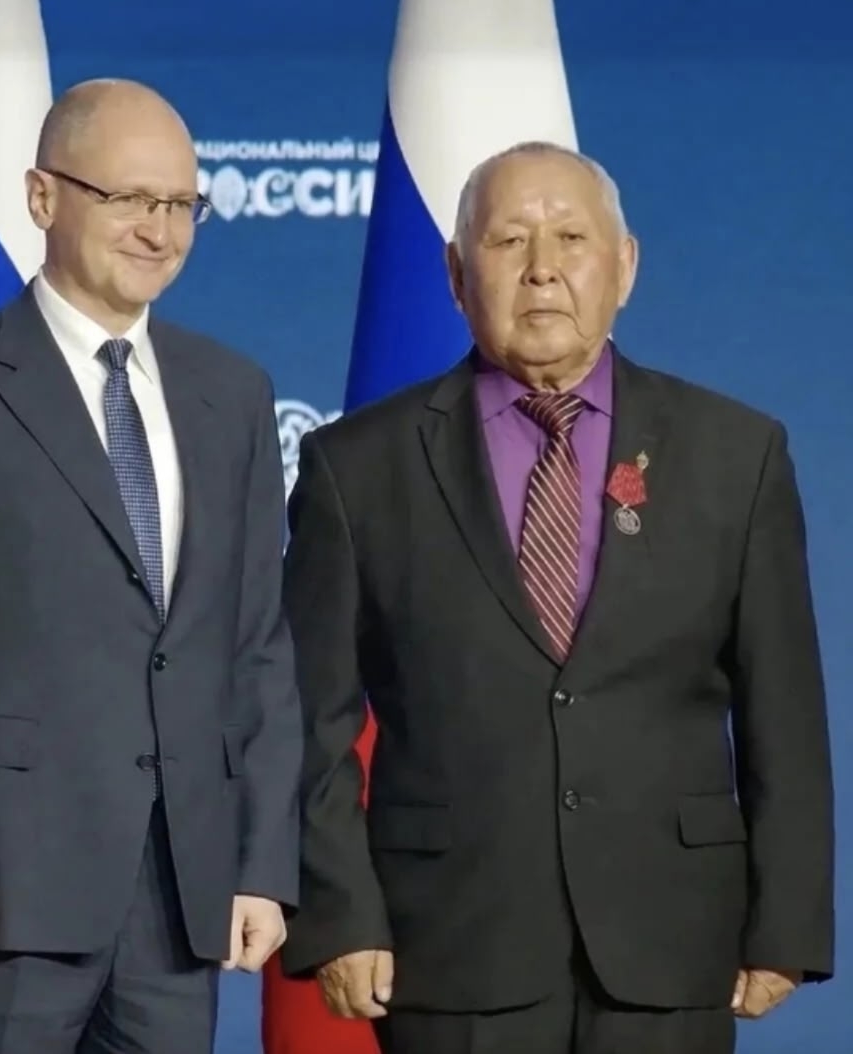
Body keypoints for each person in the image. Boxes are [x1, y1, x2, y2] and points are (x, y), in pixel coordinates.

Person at [279, 141, 834, 1054]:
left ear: (625, 266)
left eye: (571, 238)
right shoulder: (358, 466)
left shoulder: (737, 454)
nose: (542, 269)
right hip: (448, 947)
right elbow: (308, 721)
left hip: (672, 945)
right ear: (457, 274)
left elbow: (785, 711)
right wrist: (339, 914)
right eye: (509, 241)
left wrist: (788, 922)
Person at [0, 78, 302, 1054]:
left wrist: (260, 861)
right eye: (128, 198)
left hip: (179, 901)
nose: (159, 230)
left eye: (181, 204)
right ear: (43, 196)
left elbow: (255, 646)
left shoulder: (233, 395)